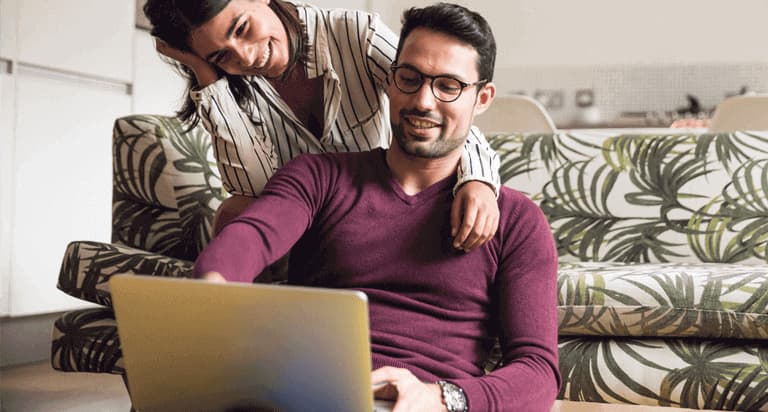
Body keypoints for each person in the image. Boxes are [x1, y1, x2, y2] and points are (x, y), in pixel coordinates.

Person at [194, 3, 561, 410]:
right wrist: (214, 286)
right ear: (390, 80)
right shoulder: (319, 177)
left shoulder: (517, 220)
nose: (423, 101)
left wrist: (440, 397)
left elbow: (538, 371)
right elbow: (252, 235)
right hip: (316, 397)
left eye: (448, 86)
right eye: (410, 79)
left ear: (482, 98)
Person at [143, 0, 502, 252]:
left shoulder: (355, 34)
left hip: (379, 205)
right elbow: (253, 191)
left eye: (242, 28)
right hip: (303, 222)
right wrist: (207, 75)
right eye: (221, 54)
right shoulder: (229, 86)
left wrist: (479, 180)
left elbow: (437, 107)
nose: (247, 56)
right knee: (235, 212)